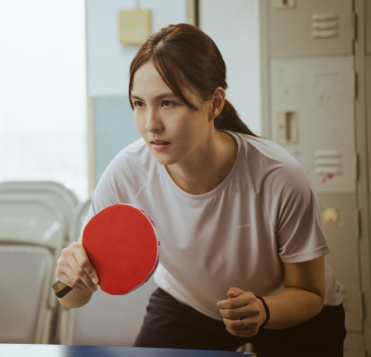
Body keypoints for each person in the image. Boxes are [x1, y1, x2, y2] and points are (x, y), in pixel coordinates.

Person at [55, 23, 346, 356]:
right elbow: (71, 298)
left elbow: (309, 293)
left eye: (168, 103)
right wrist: (68, 277)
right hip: (188, 307)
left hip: (287, 311)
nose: (150, 124)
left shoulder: (279, 176)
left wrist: (263, 311)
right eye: (138, 103)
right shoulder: (126, 174)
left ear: (215, 103)